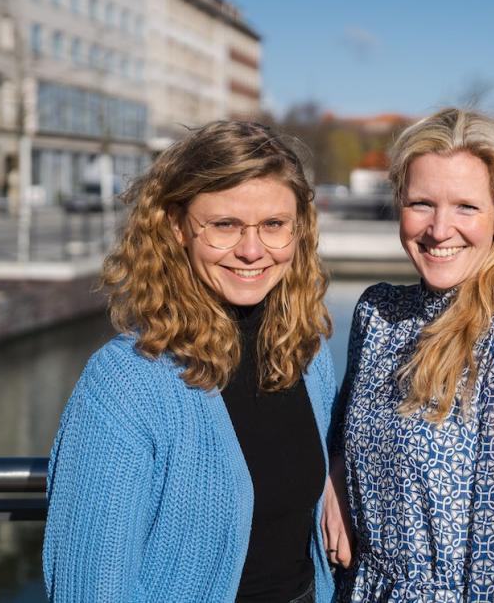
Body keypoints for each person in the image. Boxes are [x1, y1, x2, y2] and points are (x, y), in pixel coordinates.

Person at [42, 121, 351, 603]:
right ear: (175, 227)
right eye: (225, 225)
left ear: (299, 229)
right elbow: (89, 588)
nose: (252, 251)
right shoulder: (126, 382)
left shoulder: (305, 353)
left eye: (273, 225)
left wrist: (337, 465)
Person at [338, 108, 494, 601]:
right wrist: (336, 479)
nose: (439, 229)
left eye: (466, 207)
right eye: (422, 203)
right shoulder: (377, 314)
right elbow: (346, 433)